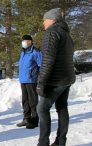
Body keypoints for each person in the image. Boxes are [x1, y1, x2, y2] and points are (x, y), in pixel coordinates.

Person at [36, 8, 75, 146]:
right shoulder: (66, 35)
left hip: (55, 80)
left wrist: (41, 82)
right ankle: (61, 142)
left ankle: (43, 143)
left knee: (41, 109)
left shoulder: (52, 33)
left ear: (53, 20)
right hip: (67, 78)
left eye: (44, 20)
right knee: (62, 108)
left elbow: (47, 60)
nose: (43, 23)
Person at [17, 35, 42, 129]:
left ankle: (35, 120)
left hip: (32, 80)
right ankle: (26, 119)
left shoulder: (36, 52)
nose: (23, 42)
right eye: (22, 40)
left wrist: (39, 78)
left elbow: (41, 66)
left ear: (30, 42)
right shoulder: (22, 53)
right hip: (23, 80)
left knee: (33, 101)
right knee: (25, 101)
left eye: (25, 40)